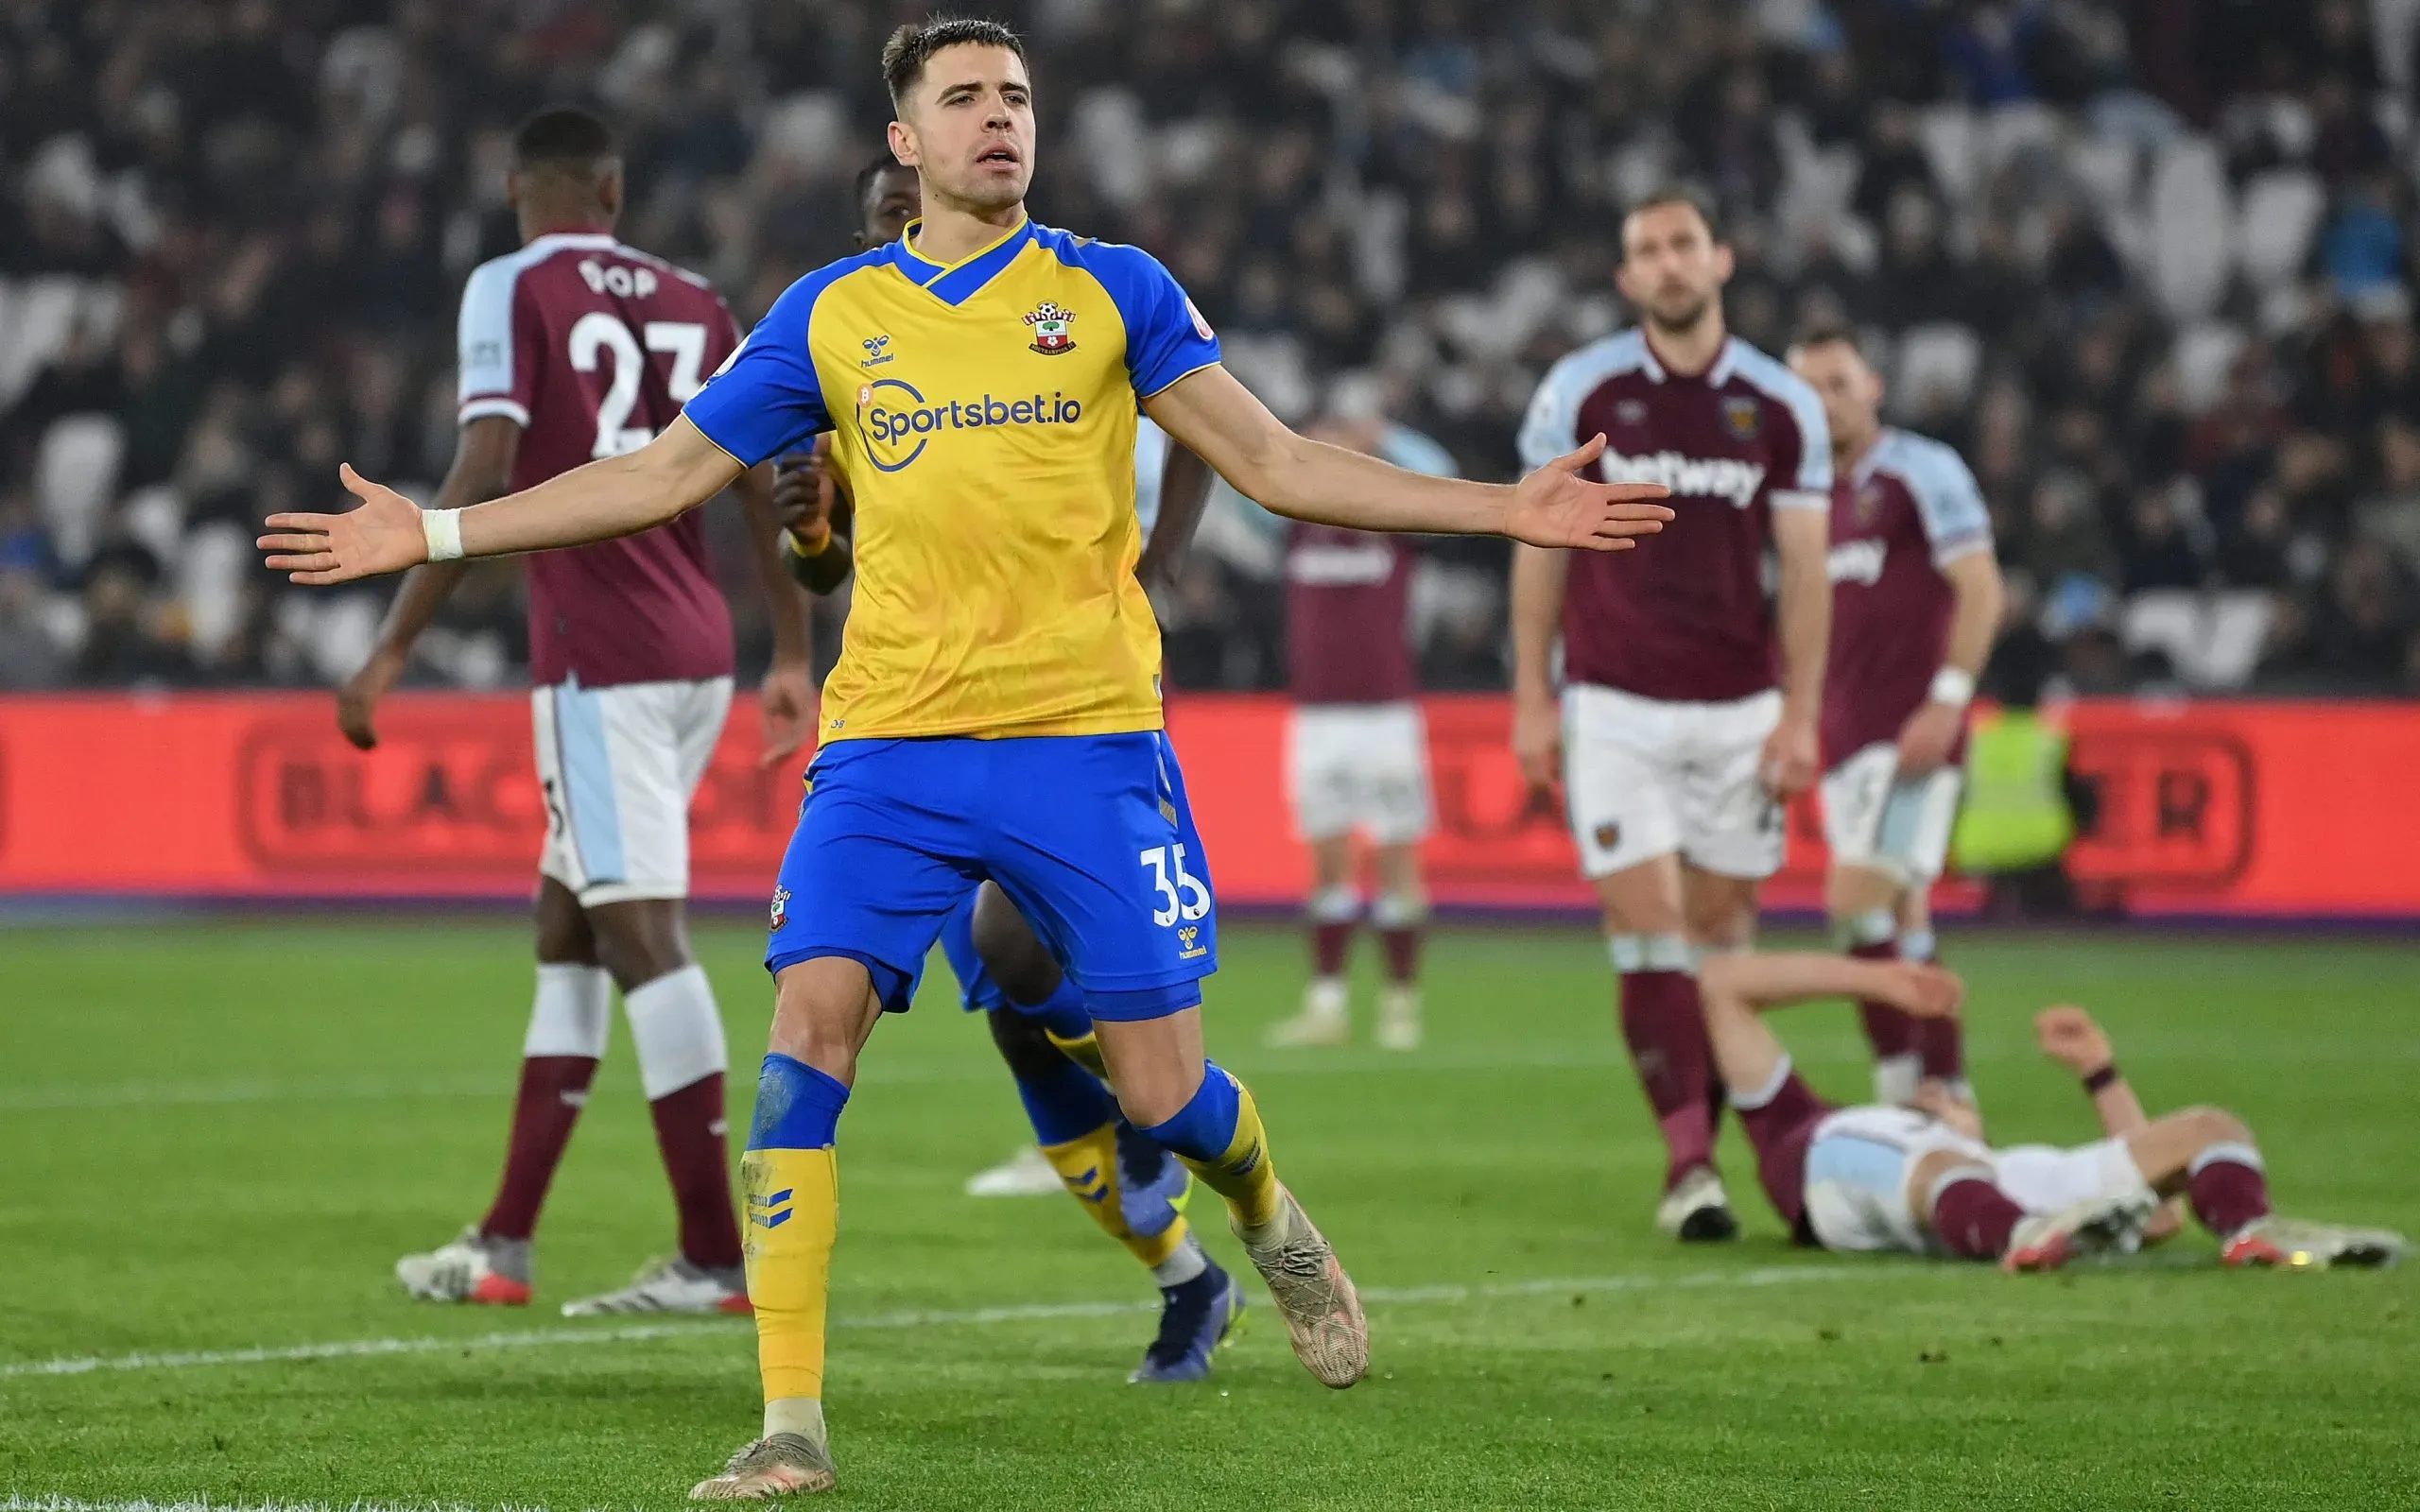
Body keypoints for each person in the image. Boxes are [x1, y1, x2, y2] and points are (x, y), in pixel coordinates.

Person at [260, 18, 1671, 1497]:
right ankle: (791, 1423)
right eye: (967, 100)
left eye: (1017, 97)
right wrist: (433, 529)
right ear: (905, 142)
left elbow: (1281, 464)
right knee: (807, 1036)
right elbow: (666, 475)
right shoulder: (831, 314)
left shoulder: (1114, 287)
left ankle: (1261, 1203)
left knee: (1158, 1096)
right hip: (891, 750)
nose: (1002, 119)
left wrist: (1503, 508)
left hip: (1086, 742)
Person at [769, 153, 1243, 1385]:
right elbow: (826, 572)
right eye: (881, 222)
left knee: (1016, 950)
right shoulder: (848, 351)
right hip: (913, 726)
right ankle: (1186, 1278)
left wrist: (1160, 557)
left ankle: (1161, 1129)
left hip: (1067, 702)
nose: (902, 236)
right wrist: (815, 531)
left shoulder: (1066, 306)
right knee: (1011, 1013)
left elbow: (1218, 423)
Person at [340, 106, 815, 1318]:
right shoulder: (699, 297)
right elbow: (760, 481)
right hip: (700, 648)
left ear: (518, 189)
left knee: (642, 931)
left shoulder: (509, 284)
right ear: (610, 185)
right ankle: (504, 1242)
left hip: (597, 658)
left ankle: (716, 1254)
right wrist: (792, 648)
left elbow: (486, 463)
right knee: (569, 925)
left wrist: (394, 644)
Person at [1511, 187, 1833, 1243]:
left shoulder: (1781, 406)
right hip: (1613, 705)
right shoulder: (1583, 388)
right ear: (1625, 278)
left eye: (1682, 243)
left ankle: (1748, 1148)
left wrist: (1799, 715)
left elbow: (1803, 569)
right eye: (1646, 250)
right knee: (1648, 935)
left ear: (1721, 258)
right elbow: (1536, 542)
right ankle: (1689, 1165)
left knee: (1723, 941)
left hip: (1740, 712)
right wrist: (1530, 694)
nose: (1666, 264)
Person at [1696, 952, 2407, 1270]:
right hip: (1847, 1182)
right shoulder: (1801, 1124)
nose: (1943, 1094)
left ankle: (2253, 1231)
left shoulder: (2000, 1162)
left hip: (1991, 1184)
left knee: (2211, 1129)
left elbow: (2157, 1215)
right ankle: (2026, 1237)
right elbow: (1723, 982)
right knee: (1932, 1162)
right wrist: (1878, 981)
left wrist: (2101, 1074)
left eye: (1954, 1096)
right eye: (1934, 1094)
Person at [1787, 322, 2004, 1108]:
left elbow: (1980, 588)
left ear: (1872, 387)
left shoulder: (1922, 471)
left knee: (1855, 904)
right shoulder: (1805, 498)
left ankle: (1901, 1091)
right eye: (1808, 389)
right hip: (1843, 739)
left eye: (1838, 384)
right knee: (1903, 922)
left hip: (1910, 734)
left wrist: (1948, 701)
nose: (1825, 402)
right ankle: (1945, 1089)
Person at [1261, 411, 1457, 1052]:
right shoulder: (1292, 519)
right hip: (1318, 716)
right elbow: (1240, 490)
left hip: (1386, 713)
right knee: (1327, 863)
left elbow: (1443, 478)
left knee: (1399, 855)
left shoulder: (1391, 516)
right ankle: (1328, 1006)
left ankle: (1402, 1004)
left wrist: (1387, 437)